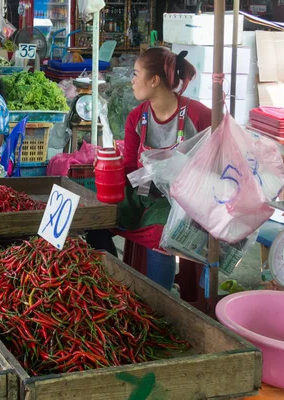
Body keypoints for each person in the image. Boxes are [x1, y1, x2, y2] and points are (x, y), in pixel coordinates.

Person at [87, 47, 212, 291]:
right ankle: (115, 283)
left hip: (181, 201)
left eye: (136, 74)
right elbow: (132, 166)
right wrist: (109, 169)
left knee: (159, 234)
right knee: (93, 218)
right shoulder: (137, 116)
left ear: (154, 80)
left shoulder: (198, 115)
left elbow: (218, 157)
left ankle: (160, 302)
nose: (132, 81)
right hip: (144, 192)